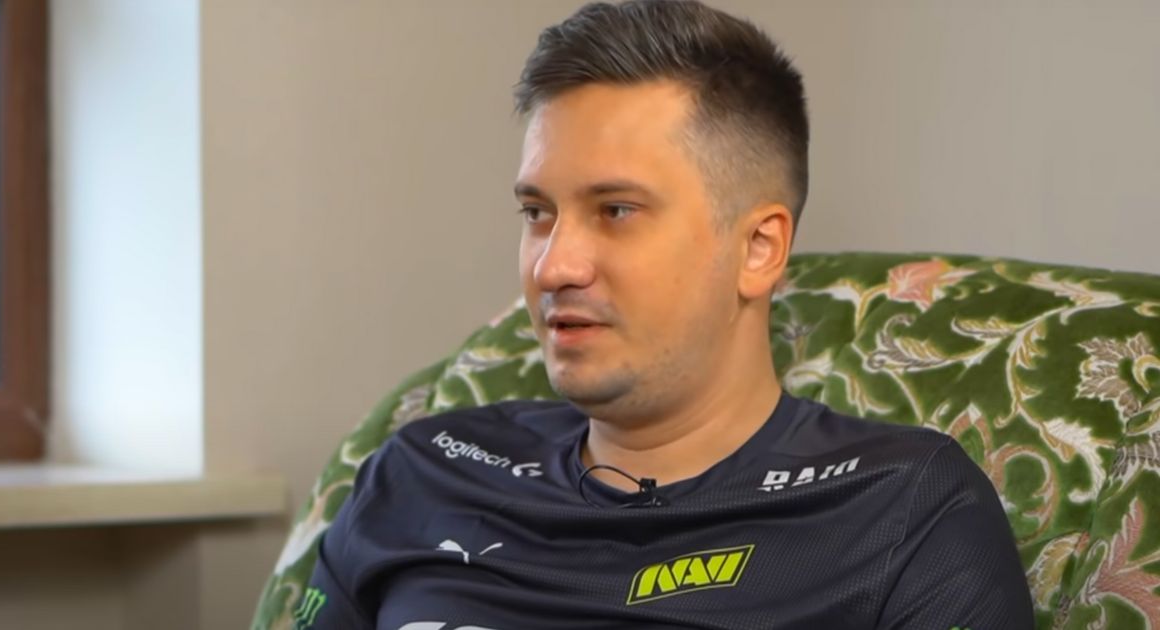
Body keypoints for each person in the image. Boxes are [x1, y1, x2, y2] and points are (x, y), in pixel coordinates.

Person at [300, 1, 1034, 628]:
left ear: (758, 249)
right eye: (537, 212)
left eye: (616, 210)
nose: (553, 267)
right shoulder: (424, 471)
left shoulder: (903, 510)